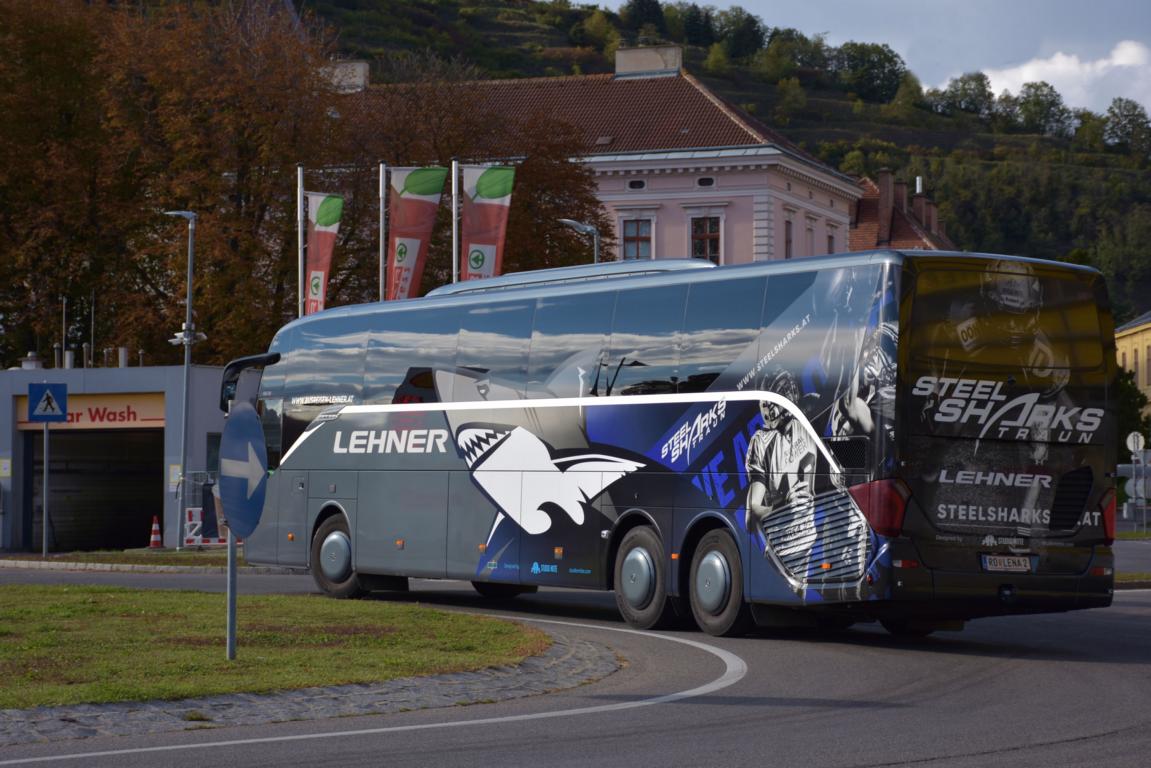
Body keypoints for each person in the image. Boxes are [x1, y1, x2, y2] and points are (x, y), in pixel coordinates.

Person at [744, 369, 816, 540]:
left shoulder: (805, 420)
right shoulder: (761, 442)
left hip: (810, 539)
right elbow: (750, 519)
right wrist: (783, 507)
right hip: (782, 548)